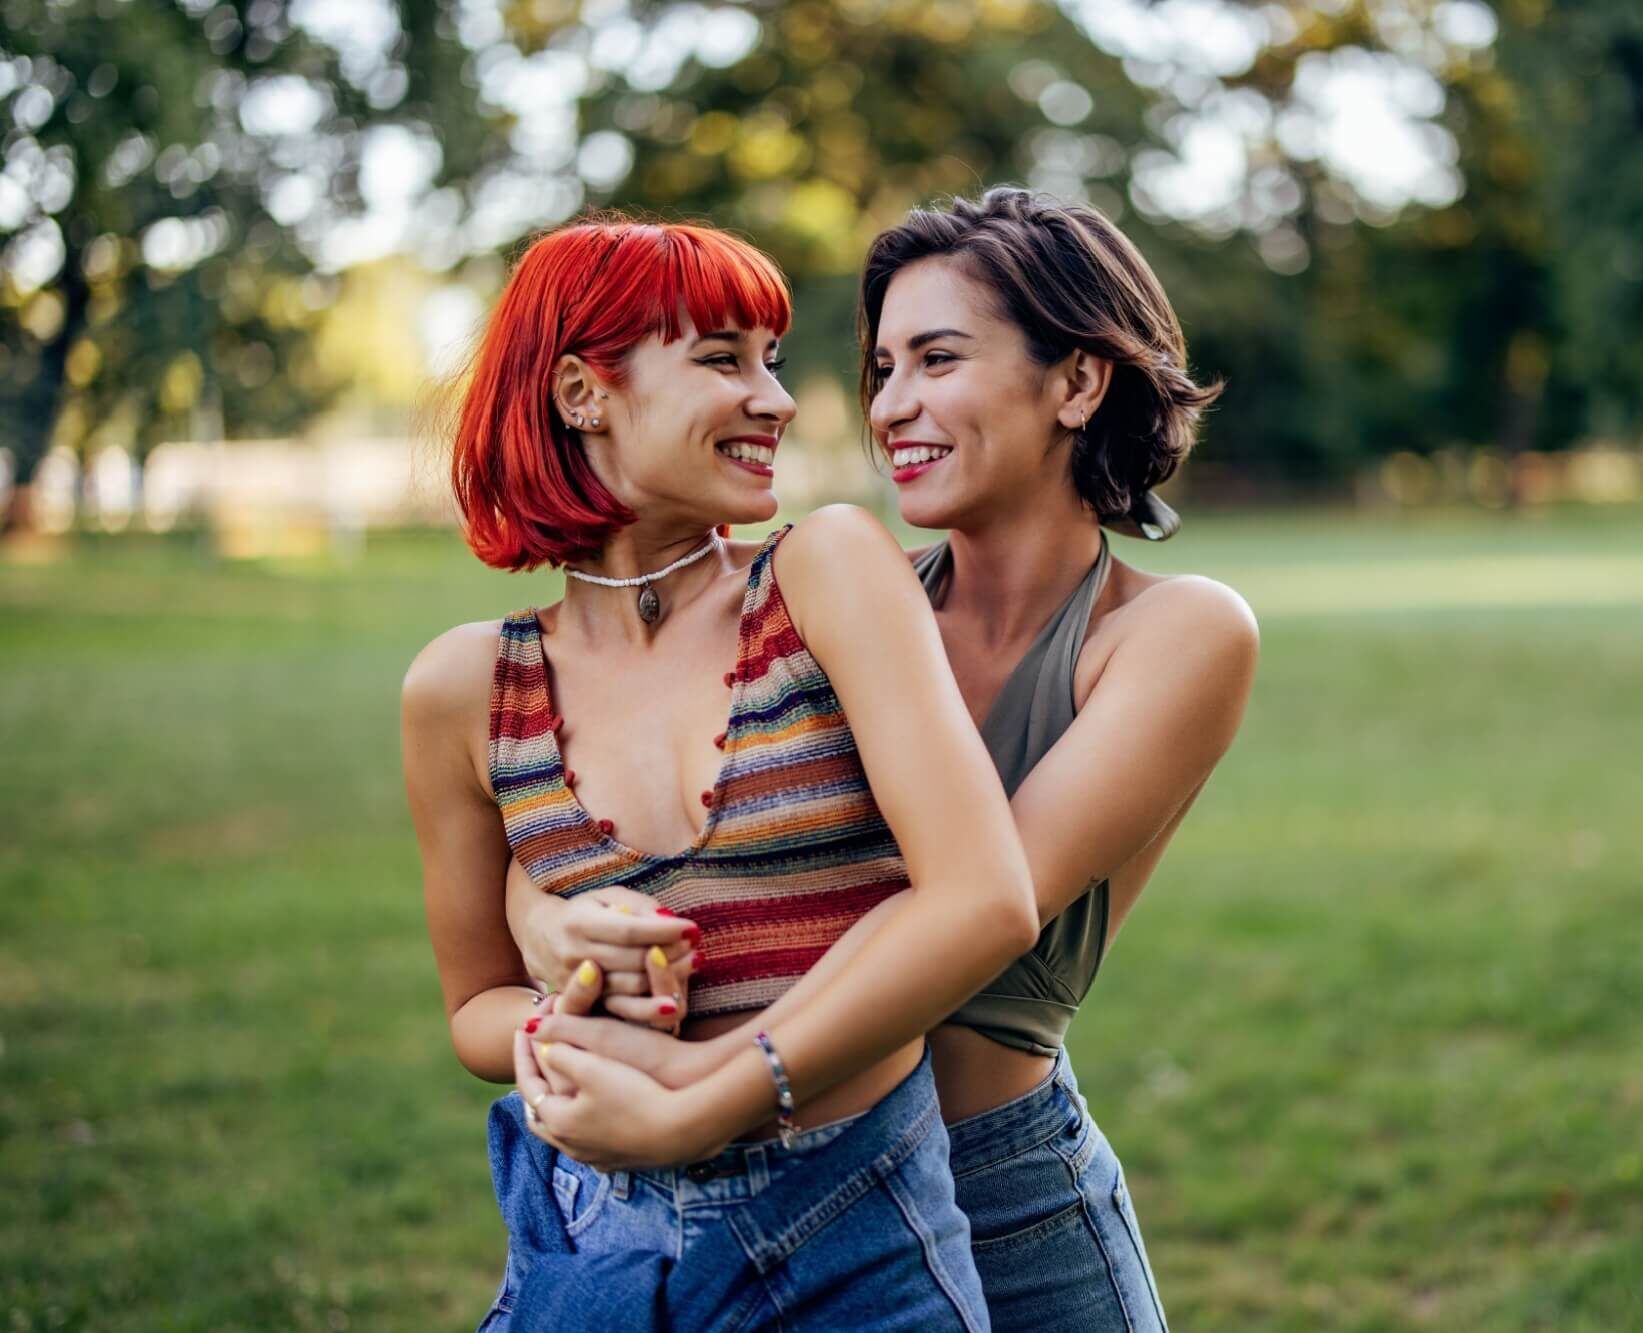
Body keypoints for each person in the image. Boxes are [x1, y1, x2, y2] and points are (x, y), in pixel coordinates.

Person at [513, 189, 1258, 1332]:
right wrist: (545, 920)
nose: (890, 404)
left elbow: (969, 905)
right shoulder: (840, 606)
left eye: (936, 358)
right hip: (807, 1194)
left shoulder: (1176, 633)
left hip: (1004, 1197)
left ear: (1076, 382)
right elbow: (593, 809)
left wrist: (697, 1098)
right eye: (880, 368)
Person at [400, 213, 1043, 1331]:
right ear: (580, 393)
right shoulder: (464, 688)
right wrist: (566, 1009)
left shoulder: (824, 572)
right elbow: (475, 1010)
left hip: (851, 1230)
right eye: (721, 360)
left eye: (770, 360)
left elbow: (986, 900)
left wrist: (708, 1099)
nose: (775, 399)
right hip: (595, 1247)